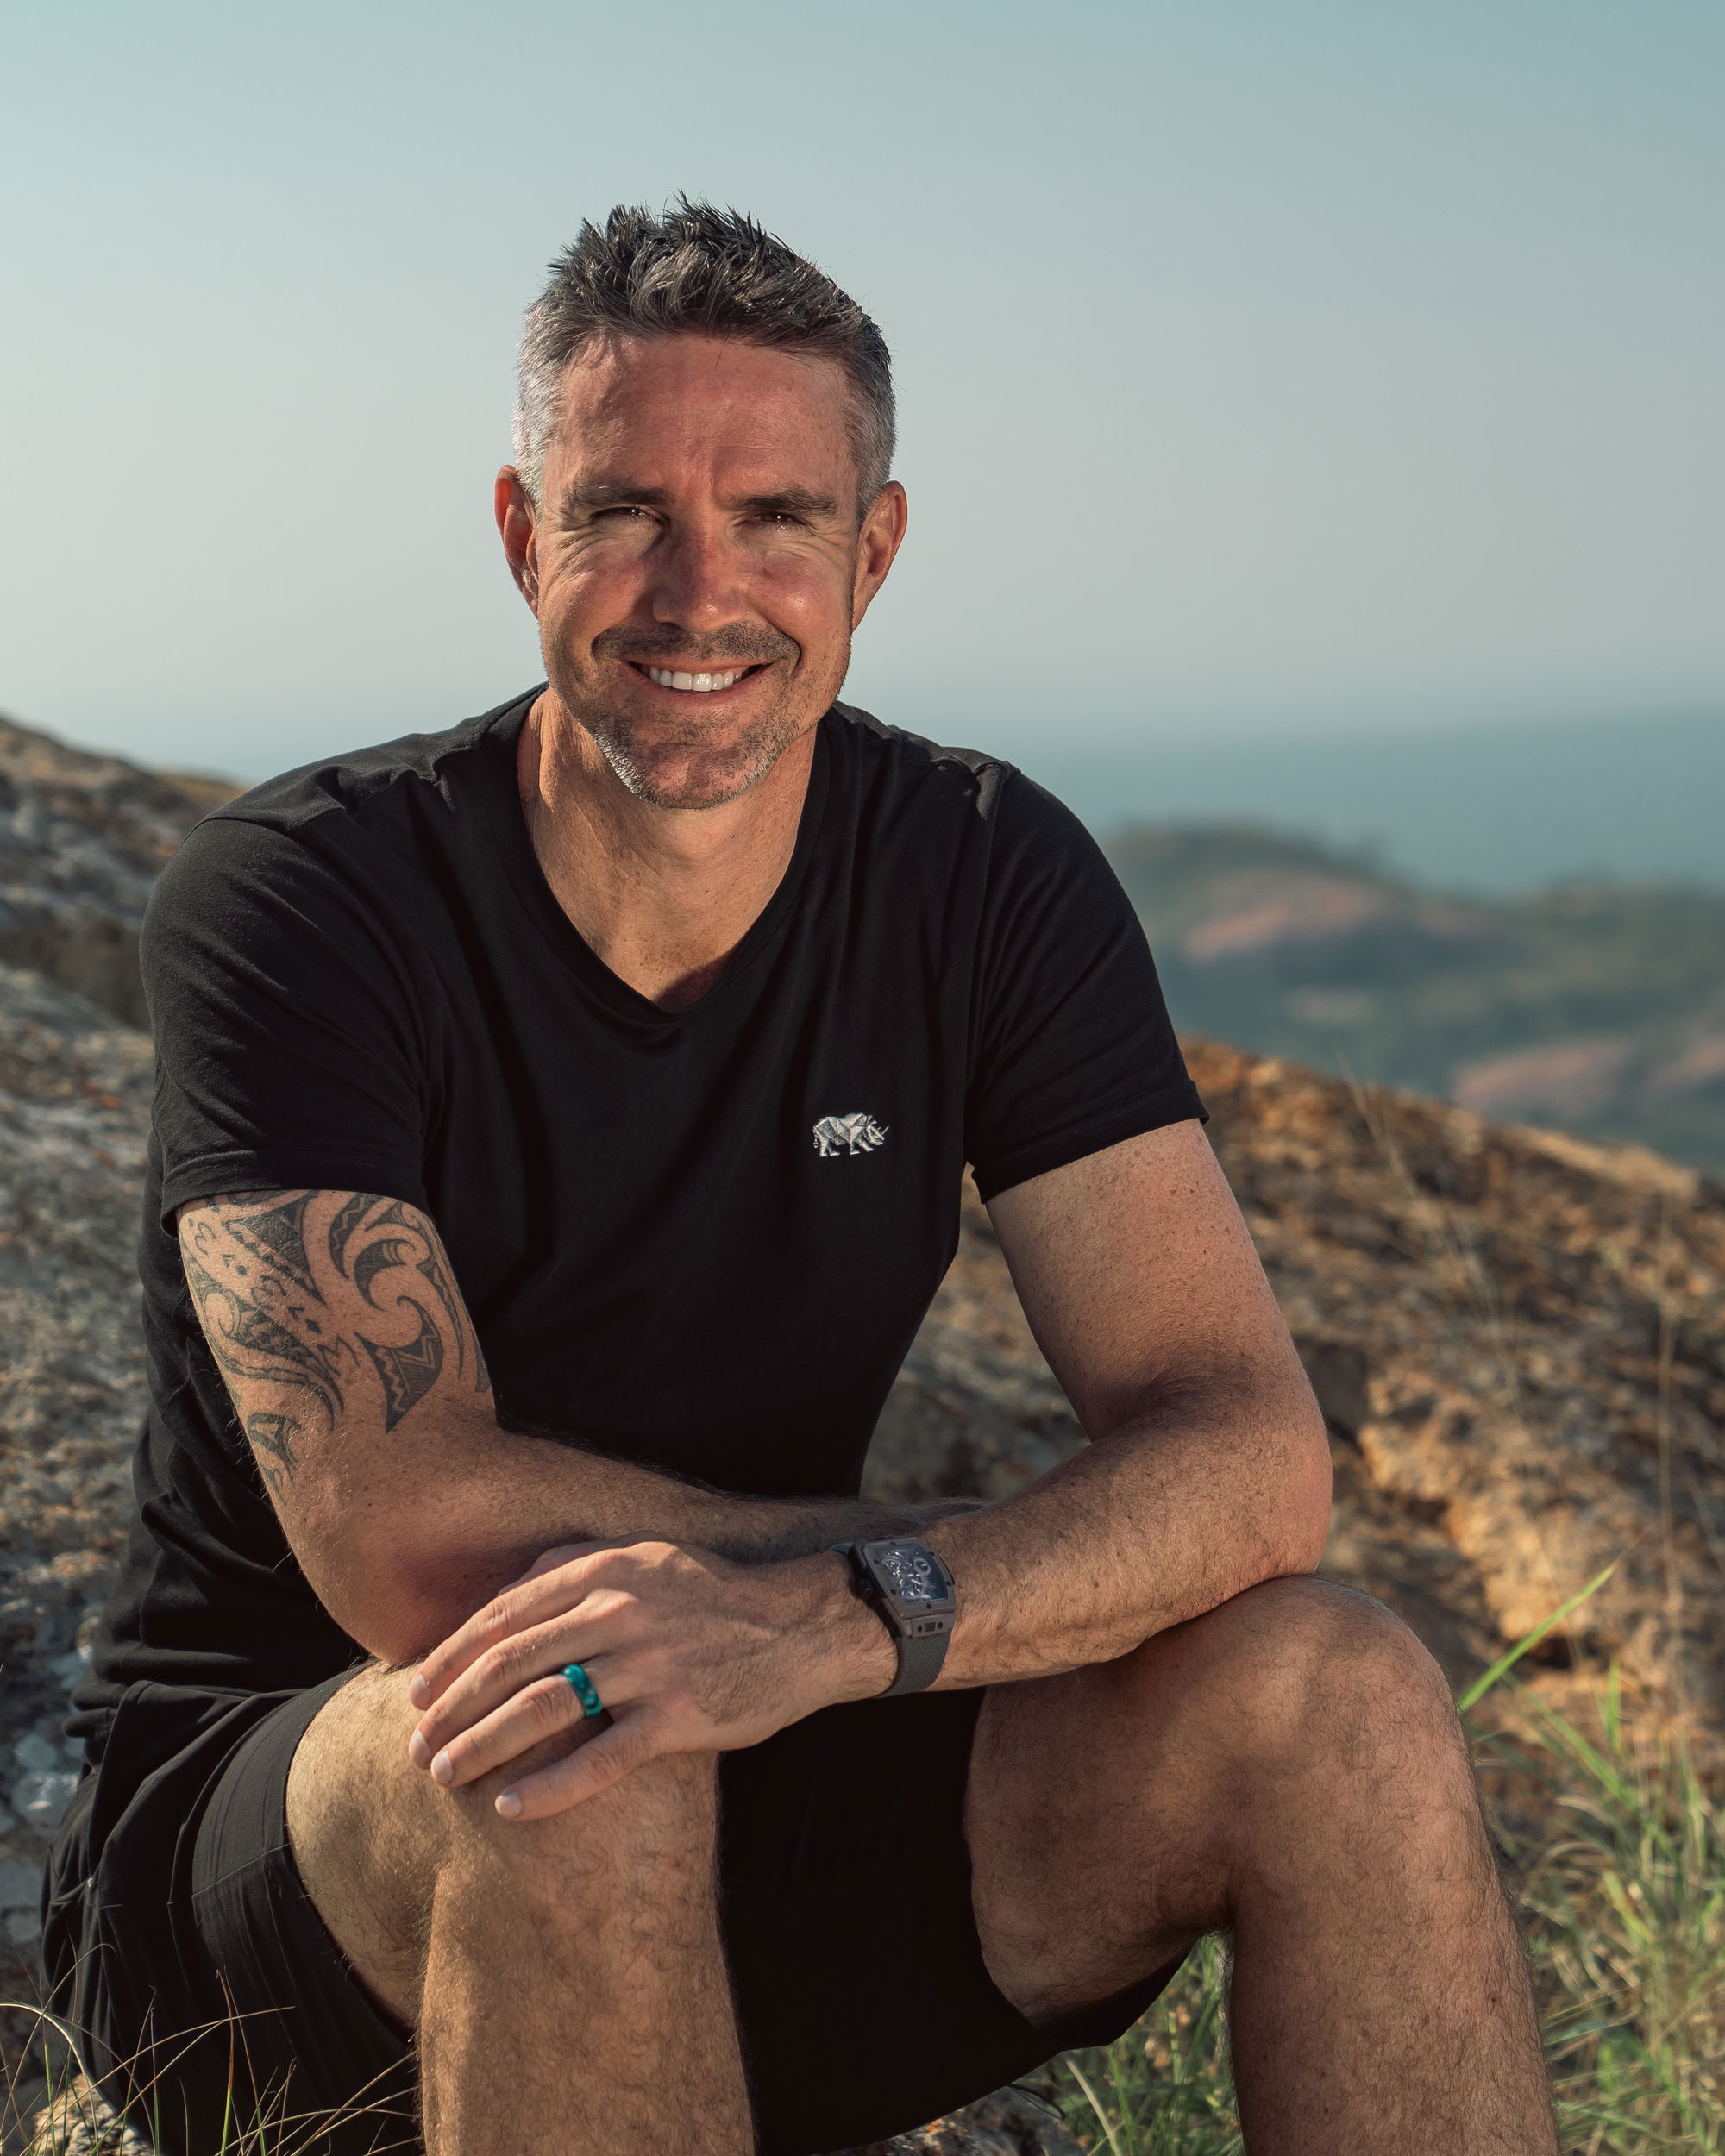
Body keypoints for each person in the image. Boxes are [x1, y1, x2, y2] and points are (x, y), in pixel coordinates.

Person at [46, 199, 1557, 2156]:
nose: (701, 593)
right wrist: (902, 1587)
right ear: (520, 535)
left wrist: (850, 1618)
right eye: (625, 513)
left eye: (774, 516)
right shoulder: (307, 901)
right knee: (582, 1706)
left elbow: (1246, 1459)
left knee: (1333, 1687)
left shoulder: (982, 874)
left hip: (786, 1745)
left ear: (874, 551)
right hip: (287, 1872)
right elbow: (410, 1535)